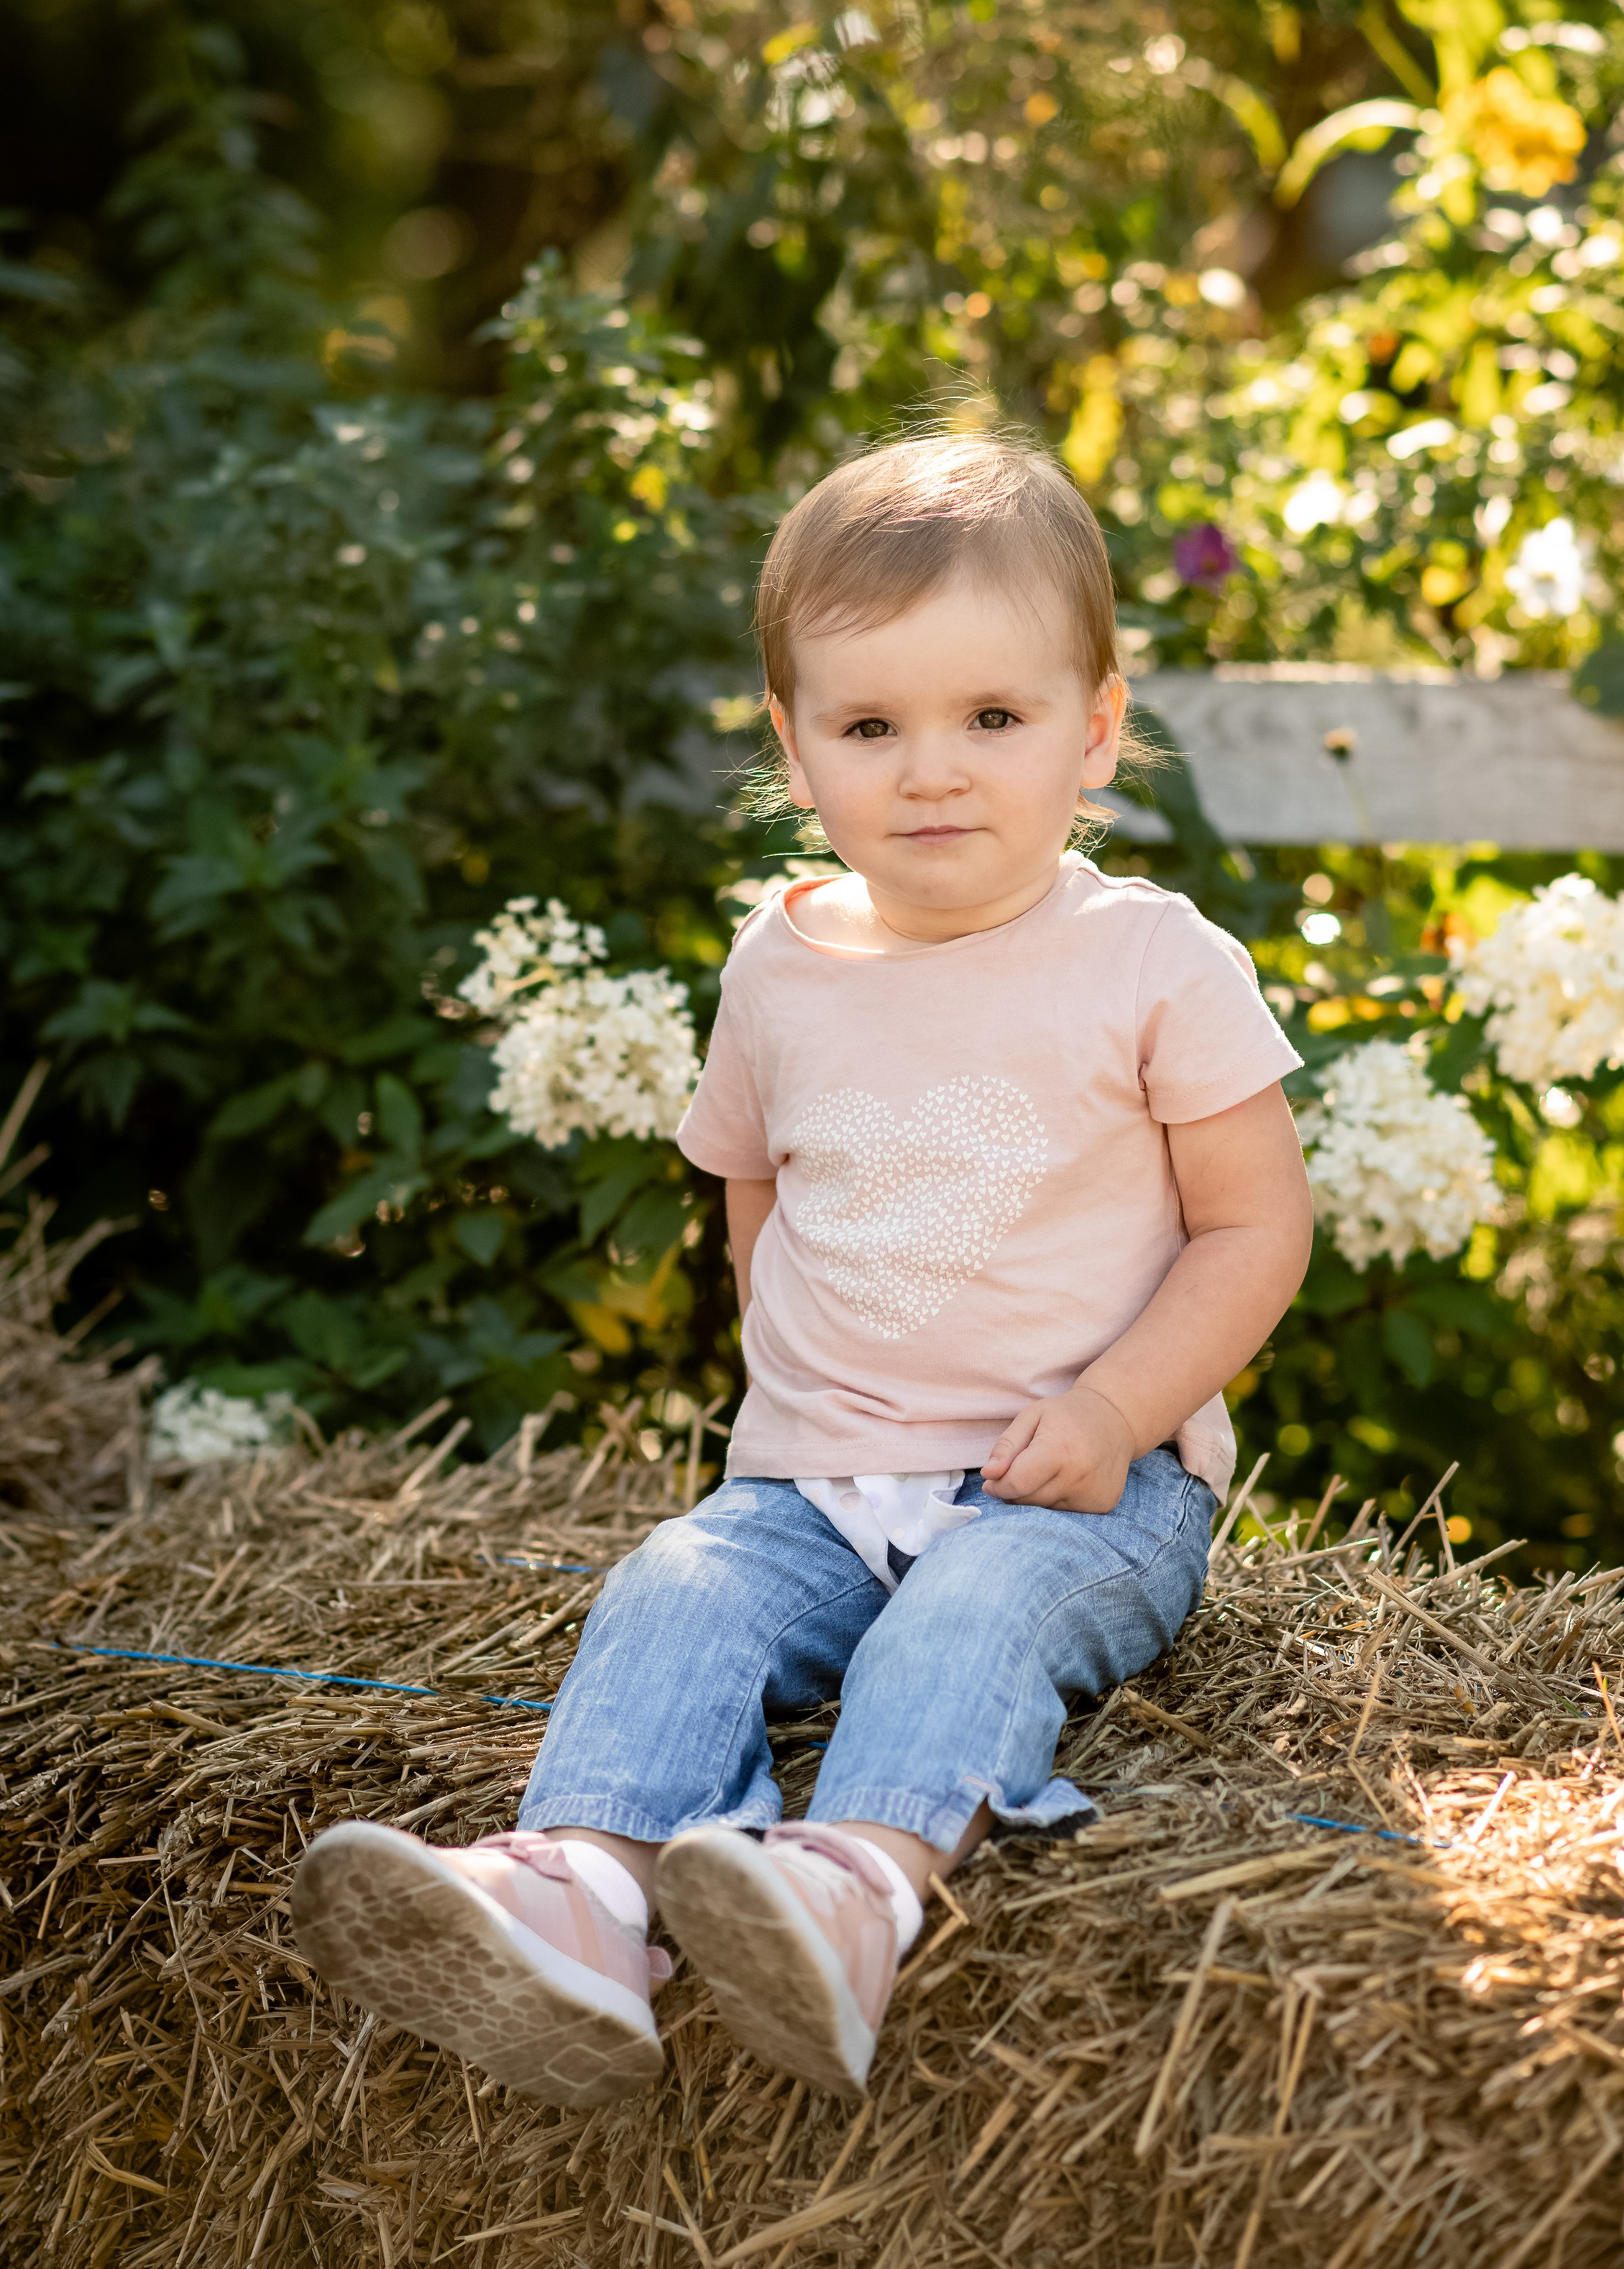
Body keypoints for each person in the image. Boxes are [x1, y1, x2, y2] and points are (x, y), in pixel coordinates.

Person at [291, 431, 1313, 2108]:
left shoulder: (1147, 959)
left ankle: (850, 1894)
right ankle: (585, 1893)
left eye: (992, 717)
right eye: (868, 726)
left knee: (967, 1615)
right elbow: (756, 1188)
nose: (931, 770)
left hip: (1077, 1488)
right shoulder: (777, 963)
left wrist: (1120, 1403)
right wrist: (805, 1409)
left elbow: (1253, 1227)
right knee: (673, 1591)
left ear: (1097, 727)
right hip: (812, 1484)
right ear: (792, 746)